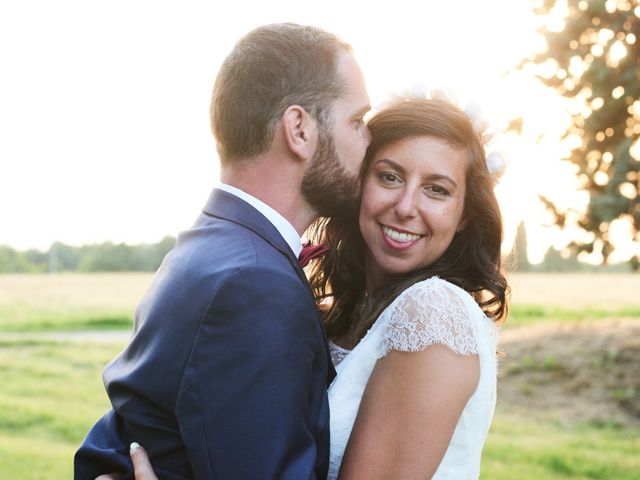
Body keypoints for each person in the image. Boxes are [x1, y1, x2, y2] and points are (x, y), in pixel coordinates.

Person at [106, 97, 508, 479]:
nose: (405, 206)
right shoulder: (342, 310)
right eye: (389, 176)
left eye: (436, 189)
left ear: (465, 216)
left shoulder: (433, 313)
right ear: (358, 181)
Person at [74, 22, 371, 479]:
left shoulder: (208, 247)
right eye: (357, 121)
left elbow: (129, 430)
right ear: (299, 129)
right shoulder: (252, 285)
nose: (368, 143)